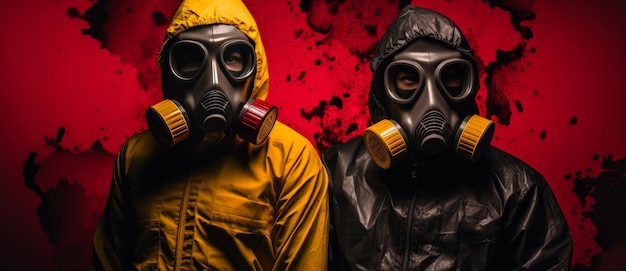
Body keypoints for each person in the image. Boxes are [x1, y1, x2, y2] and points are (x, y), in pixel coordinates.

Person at [322, 5, 573, 270]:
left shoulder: (517, 189)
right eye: (409, 78)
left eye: (450, 77)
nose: (432, 101)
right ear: (382, 93)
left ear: (470, 86)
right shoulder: (338, 173)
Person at [91, 0, 329, 270]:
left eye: (231, 58)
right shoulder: (135, 156)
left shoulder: (291, 159)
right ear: (169, 71)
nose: (214, 80)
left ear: (255, 69)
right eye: (193, 59)